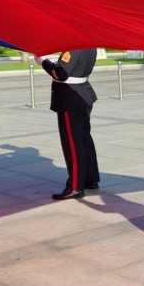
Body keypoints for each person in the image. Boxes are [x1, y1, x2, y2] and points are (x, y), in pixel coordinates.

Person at [38, 48, 99, 200]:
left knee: (73, 144)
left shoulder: (73, 48)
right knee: (84, 139)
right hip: (82, 94)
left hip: (70, 98)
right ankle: (89, 179)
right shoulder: (91, 45)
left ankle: (75, 187)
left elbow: (61, 74)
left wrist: (43, 61)